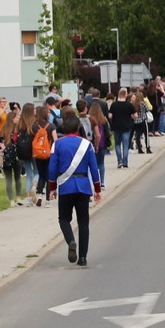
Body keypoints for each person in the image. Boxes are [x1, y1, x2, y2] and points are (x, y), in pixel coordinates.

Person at [48, 112, 102, 266]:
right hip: (83, 185)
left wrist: (52, 188)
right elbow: (94, 168)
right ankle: (83, 257)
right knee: (83, 222)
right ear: (78, 127)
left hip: (65, 186)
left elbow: (52, 169)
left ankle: (71, 240)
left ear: (64, 127)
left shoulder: (57, 144)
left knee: (64, 218)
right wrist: (97, 189)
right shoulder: (87, 144)